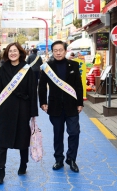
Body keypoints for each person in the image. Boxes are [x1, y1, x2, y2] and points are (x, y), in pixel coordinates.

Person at [0, 42, 39, 184]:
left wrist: (33, 111)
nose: (12, 53)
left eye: (15, 51)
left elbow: (32, 91)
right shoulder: (2, 70)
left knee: (23, 139)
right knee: (2, 141)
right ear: (7, 53)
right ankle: (1, 170)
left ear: (20, 53)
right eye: (10, 51)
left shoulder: (27, 69)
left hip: (23, 109)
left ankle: (23, 163)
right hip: (5, 109)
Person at [38, 40, 83, 173]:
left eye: (61, 50)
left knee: (74, 132)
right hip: (55, 106)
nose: (58, 53)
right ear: (53, 52)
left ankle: (72, 159)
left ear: (65, 51)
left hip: (72, 106)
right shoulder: (47, 66)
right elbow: (41, 86)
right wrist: (43, 102)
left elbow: (78, 86)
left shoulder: (74, 65)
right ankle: (59, 159)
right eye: (55, 50)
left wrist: (80, 103)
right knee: (58, 134)